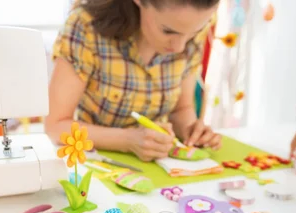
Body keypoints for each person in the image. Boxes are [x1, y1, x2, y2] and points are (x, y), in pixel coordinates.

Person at [45, 0, 222, 162]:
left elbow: (181, 110)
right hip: (97, 164)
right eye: (168, 30)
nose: (179, 47)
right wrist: (127, 140)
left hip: (161, 168)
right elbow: (56, 127)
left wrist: (191, 131)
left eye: (195, 32)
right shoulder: (85, 27)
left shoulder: (192, 24)